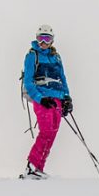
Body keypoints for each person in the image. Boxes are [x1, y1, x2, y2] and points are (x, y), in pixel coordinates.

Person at [22, 24, 73, 180]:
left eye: (47, 38)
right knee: (46, 131)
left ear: (52, 40)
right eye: (41, 38)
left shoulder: (56, 57)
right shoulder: (32, 55)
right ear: (37, 39)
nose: (44, 42)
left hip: (57, 97)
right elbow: (28, 81)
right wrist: (40, 98)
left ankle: (39, 168)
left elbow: (62, 78)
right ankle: (32, 166)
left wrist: (67, 97)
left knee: (53, 133)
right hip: (43, 97)